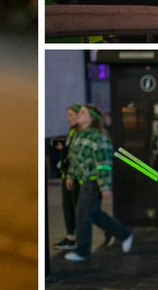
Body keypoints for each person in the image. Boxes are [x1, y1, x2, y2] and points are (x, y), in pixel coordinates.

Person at [64, 105, 134, 262]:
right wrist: (70, 176)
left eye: (83, 112)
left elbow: (104, 164)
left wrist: (105, 187)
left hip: (93, 182)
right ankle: (125, 234)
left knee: (82, 215)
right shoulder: (79, 134)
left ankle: (82, 251)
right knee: (94, 215)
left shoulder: (99, 137)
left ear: (92, 118)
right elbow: (73, 159)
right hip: (83, 181)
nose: (79, 115)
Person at [54, 104, 83, 251]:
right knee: (68, 207)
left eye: (71, 115)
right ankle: (71, 237)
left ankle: (77, 238)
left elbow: (77, 156)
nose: (68, 118)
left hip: (76, 177)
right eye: (68, 115)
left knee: (79, 208)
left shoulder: (81, 132)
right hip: (68, 175)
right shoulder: (72, 131)